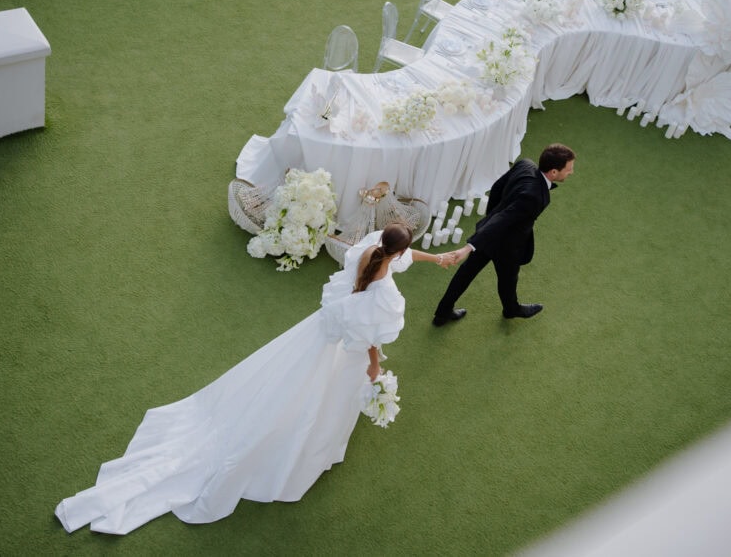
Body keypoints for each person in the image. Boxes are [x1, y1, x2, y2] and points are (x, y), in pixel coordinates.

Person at [55, 223, 453, 534]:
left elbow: (399, 259)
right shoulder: (382, 297)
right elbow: (369, 337)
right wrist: (374, 368)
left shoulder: (369, 249)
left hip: (320, 332)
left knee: (281, 383)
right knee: (318, 399)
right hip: (345, 349)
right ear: (396, 250)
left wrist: (436, 259)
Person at [432, 143, 575, 326]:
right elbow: (504, 218)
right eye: (569, 169)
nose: (571, 172)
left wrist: (492, 215)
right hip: (506, 244)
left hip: (490, 234)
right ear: (554, 172)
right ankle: (511, 309)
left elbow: (497, 187)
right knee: (508, 277)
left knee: (466, 273)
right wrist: (469, 246)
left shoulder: (525, 164)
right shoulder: (534, 196)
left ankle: (443, 313)